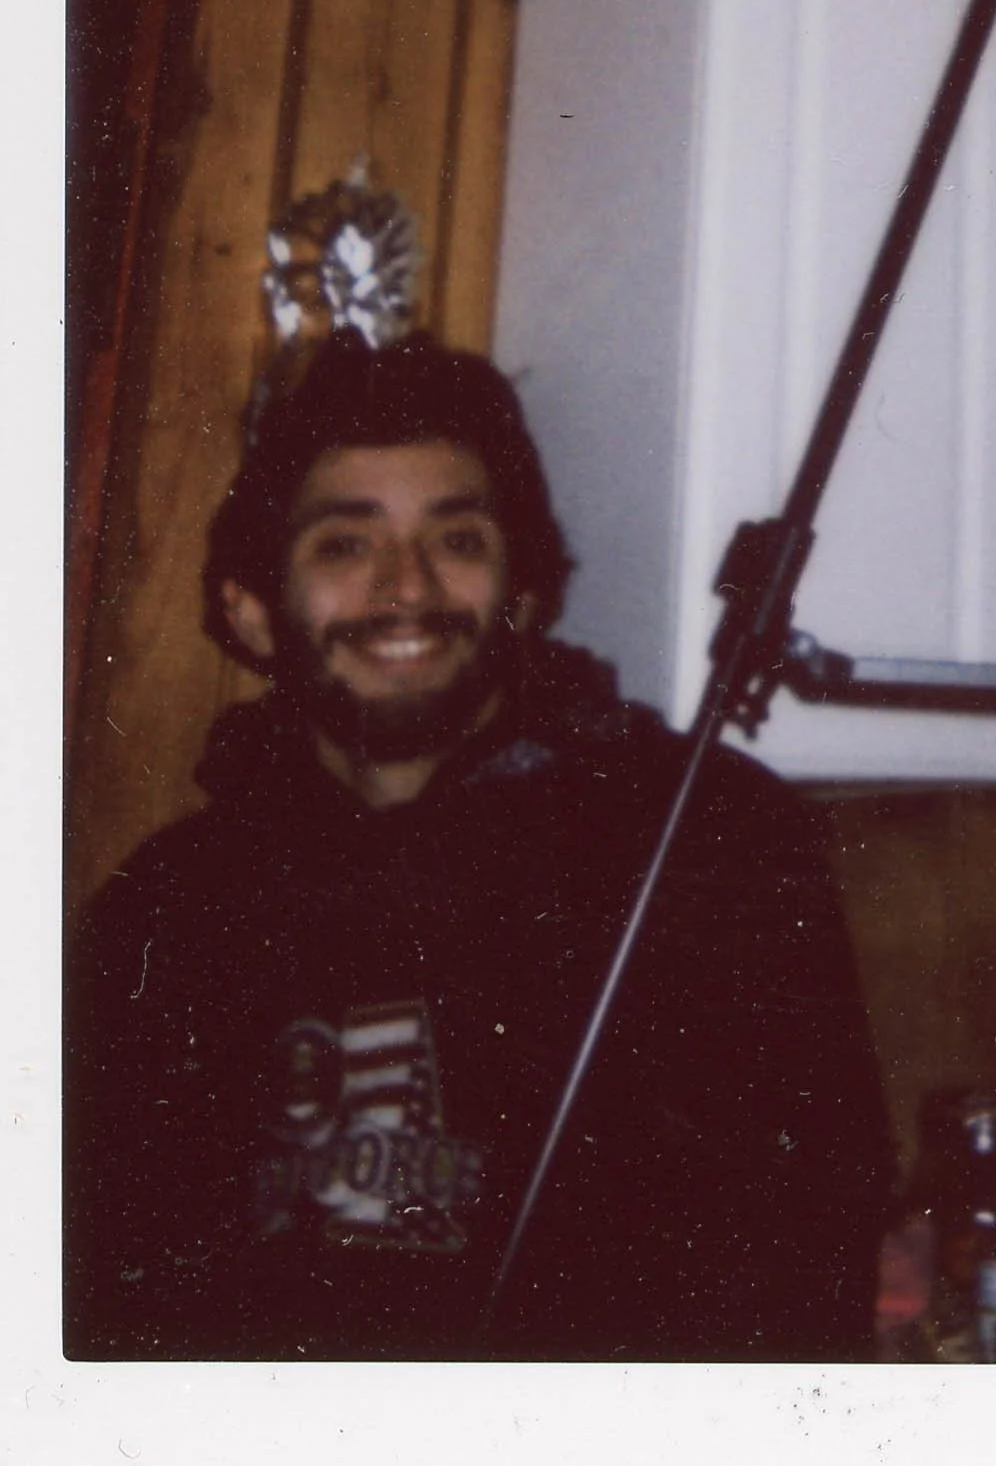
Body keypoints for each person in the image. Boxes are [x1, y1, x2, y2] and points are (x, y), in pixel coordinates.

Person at [65, 330, 895, 1360]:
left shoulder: (704, 839)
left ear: (526, 592)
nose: (407, 585)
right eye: (344, 542)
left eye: (457, 539)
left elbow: (794, 1281)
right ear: (251, 607)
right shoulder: (166, 909)